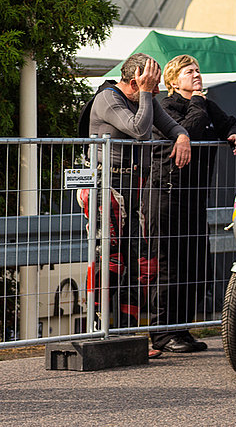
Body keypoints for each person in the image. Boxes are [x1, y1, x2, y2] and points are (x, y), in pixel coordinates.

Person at [88, 52, 191, 354]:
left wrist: (182, 137)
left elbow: (173, 127)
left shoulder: (145, 98)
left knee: (137, 260)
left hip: (135, 186)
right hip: (109, 187)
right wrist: (145, 94)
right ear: (135, 82)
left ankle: (129, 335)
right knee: (111, 258)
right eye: (151, 84)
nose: (157, 90)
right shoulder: (109, 98)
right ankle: (104, 333)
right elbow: (140, 131)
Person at [147, 55, 236, 353]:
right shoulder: (165, 107)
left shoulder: (204, 104)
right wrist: (198, 102)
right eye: (189, 71)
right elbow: (187, 131)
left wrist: (234, 134)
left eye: (198, 70)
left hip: (195, 198)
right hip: (167, 196)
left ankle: (183, 329)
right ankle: (164, 334)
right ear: (173, 79)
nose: (197, 75)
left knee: (198, 268)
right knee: (170, 268)